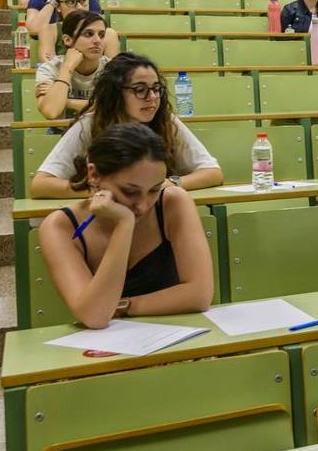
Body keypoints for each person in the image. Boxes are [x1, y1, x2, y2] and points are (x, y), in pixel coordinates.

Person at [37, 123, 213, 329]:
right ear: (93, 174)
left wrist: (123, 306)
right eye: (129, 192)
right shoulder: (60, 226)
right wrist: (124, 224)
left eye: (154, 190)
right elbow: (94, 316)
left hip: (173, 335)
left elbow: (199, 295)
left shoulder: (173, 202)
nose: (143, 205)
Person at [30, 53, 224, 198]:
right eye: (140, 90)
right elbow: (40, 185)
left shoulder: (166, 121)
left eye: (156, 89)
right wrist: (101, 190)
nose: (152, 97)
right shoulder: (89, 125)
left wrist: (171, 183)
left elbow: (213, 173)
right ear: (116, 93)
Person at [34, 10, 110, 120]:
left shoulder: (113, 68)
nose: (97, 40)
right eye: (88, 34)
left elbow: (115, 109)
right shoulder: (49, 68)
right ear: (67, 40)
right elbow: (50, 112)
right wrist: (67, 67)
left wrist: (66, 101)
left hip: (103, 132)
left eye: (102, 35)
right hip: (62, 133)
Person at [35, 0, 120, 62]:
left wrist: (60, 60)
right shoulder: (48, 31)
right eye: (71, 2)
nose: (79, 7)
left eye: (83, 0)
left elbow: (112, 71)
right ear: (58, 7)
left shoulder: (108, 34)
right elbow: (48, 66)